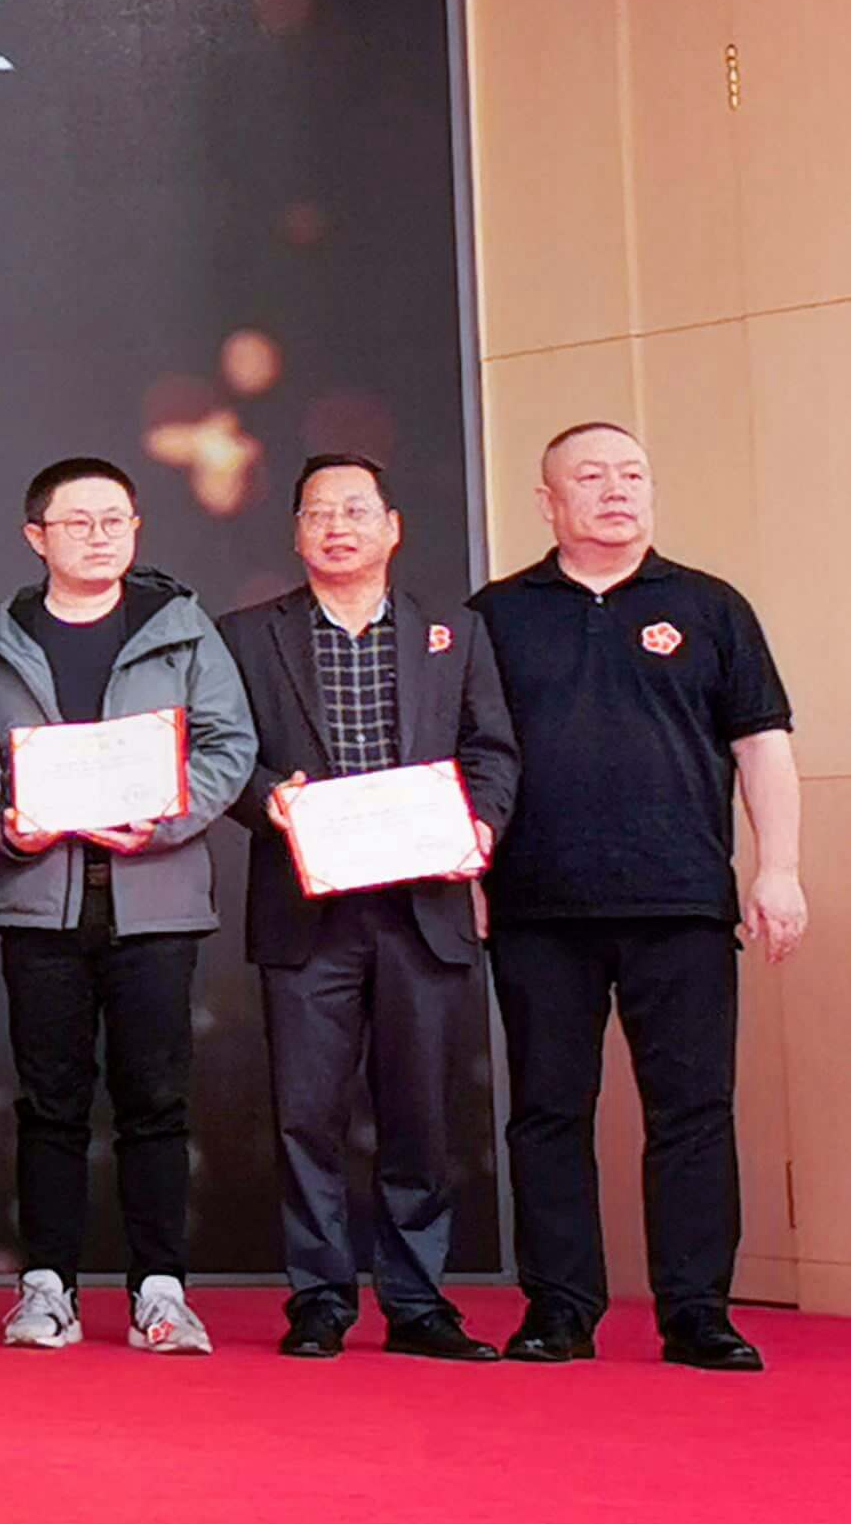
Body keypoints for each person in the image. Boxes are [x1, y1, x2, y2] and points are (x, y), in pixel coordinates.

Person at [469, 423, 805, 1373]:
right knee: (547, 1111)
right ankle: (559, 1310)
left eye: (632, 474)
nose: (616, 491)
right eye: (591, 476)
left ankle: (698, 1313)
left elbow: (762, 745)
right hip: (537, 905)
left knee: (693, 1110)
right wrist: (469, 876)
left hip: (682, 900)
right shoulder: (495, 615)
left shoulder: (711, 605)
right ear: (548, 502)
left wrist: (777, 868)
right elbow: (464, 757)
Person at [223, 454, 518, 1362]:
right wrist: (267, 799)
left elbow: (493, 751)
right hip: (306, 909)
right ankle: (319, 1297)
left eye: (356, 511)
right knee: (306, 1115)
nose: (338, 527)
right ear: (296, 534)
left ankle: (418, 1300)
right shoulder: (247, 635)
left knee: (421, 1111)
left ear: (392, 527)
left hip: (422, 905)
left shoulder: (455, 634)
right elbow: (225, 752)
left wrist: (480, 827)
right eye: (319, 513)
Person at [0, 456, 255, 1356]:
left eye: (115, 521)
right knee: (49, 1104)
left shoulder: (182, 630)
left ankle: (160, 1293)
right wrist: (7, 825)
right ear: (36, 536)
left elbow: (229, 744)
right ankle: (45, 1288)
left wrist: (164, 821)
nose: (99, 537)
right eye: (77, 522)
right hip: (40, 904)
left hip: (157, 903)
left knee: (156, 1102)